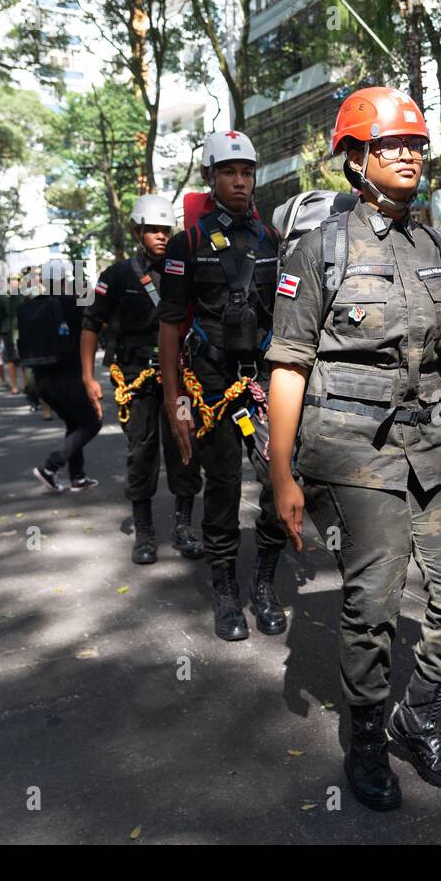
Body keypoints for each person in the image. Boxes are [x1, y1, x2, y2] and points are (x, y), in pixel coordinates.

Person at [267, 86, 441, 811]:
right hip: (349, 448)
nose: (408, 155)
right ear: (355, 158)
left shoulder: (436, 247)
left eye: (416, 144)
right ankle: (366, 738)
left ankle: (417, 714)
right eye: (392, 144)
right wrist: (280, 473)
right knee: (374, 603)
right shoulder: (319, 248)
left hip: (434, 440)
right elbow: (288, 365)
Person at [158, 129, 292, 641]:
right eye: (229, 172)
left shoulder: (272, 242)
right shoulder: (186, 243)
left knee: (281, 476)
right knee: (223, 489)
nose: (239, 181)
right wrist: (176, 402)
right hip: (210, 384)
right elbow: (170, 325)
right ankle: (225, 592)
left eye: (246, 172)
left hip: (262, 380)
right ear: (210, 178)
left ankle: (262, 583)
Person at [83, 193, 204, 565]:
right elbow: (91, 324)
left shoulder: (184, 267)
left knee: (186, 450)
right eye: (152, 230)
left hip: (182, 378)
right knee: (141, 454)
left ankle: (183, 527)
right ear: (137, 232)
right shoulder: (116, 276)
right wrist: (88, 376)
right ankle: (145, 532)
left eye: (165, 229)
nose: (160, 236)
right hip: (136, 380)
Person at [27, 261, 102, 492]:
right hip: (68, 377)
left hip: (42, 380)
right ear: (63, 280)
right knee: (92, 422)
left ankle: (78, 477)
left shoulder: (33, 306)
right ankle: (50, 466)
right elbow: (98, 314)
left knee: (74, 422)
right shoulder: (72, 303)